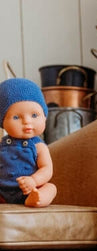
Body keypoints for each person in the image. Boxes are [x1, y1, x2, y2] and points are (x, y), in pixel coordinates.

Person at [0, 77, 57, 206]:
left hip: (30, 189)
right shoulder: (1, 145)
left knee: (51, 188)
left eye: (34, 115)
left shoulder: (39, 147)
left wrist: (34, 180)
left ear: (44, 116)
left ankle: (38, 199)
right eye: (16, 117)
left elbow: (47, 169)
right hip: (2, 191)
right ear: (2, 121)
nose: (27, 121)